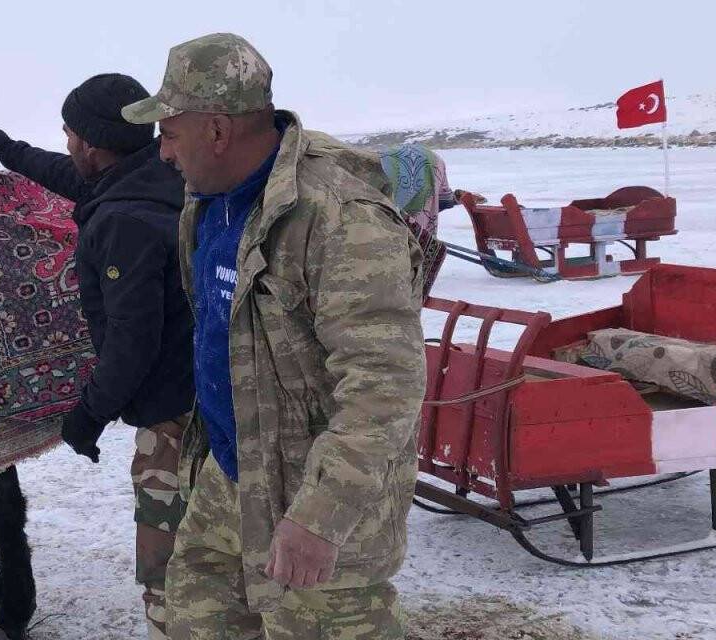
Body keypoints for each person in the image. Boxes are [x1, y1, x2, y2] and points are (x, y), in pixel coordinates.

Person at [121, 33, 427, 639]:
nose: (162, 152)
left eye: (170, 132)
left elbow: (384, 385)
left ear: (217, 130)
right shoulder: (208, 203)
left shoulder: (340, 219)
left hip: (315, 505)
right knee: (196, 621)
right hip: (230, 478)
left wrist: (320, 516)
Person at [0, 73, 195, 640]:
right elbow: (67, 175)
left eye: (69, 134)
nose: (66, 145)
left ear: (92, 142)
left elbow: (131, 341)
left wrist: (87, 417)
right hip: (204, 390)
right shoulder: (156, 174)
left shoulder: (122, 223)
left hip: (173, 413)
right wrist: (8, 150)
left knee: (170, 567)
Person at [379, 143, 483, 297]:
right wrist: (455, 198)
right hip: (415, 215)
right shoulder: (435, 163)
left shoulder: (379, 167)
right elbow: (442, 198)